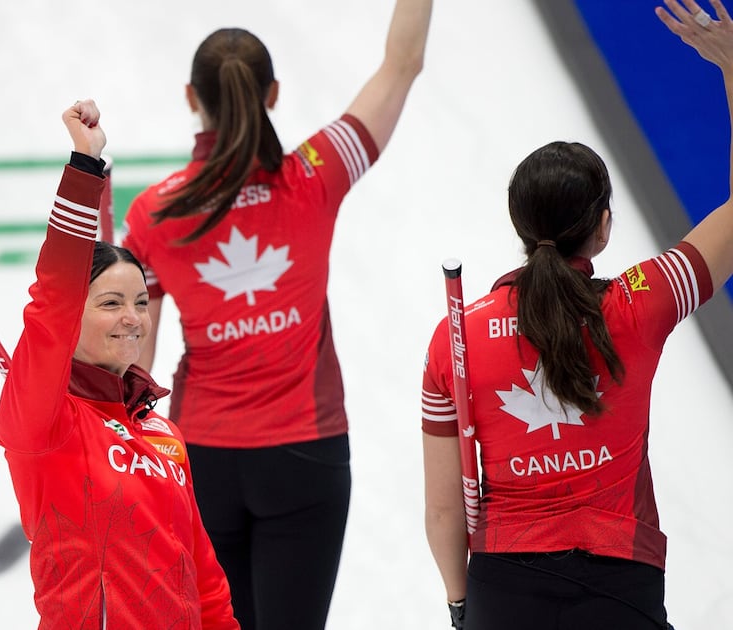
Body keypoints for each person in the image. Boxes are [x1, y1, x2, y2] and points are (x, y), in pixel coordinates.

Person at [118, 2, 432, 627]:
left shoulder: (153, 214)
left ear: (191, 98)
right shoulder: (316, 172)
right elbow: (402, 65)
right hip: (305, 455)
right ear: (274, 94)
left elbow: (133, 364)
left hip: (202, 458)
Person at [421, 3, 733, 628]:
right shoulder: (642, 302)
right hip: (621, 587)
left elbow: (444, 510)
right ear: (603, 227)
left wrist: (460, 605)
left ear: (519, 224)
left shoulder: (456, 337)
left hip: (502, 593)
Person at [0, 99, 239, 629]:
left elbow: (205, 580)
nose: (132, 318)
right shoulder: (47, 423)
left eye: (141, 303)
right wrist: (85, 167)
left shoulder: (163, 433)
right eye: (110, 303)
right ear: (72, 316)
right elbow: (53, 298)